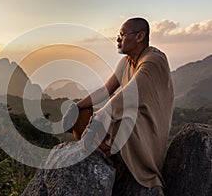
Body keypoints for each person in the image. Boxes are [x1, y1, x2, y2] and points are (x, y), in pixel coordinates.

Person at [63, 17, 174, 195]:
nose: (118, 39)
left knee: (118, 117)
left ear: (139, 36)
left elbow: (129, 95)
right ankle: (114, 159)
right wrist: (76, 106)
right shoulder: (126, 62)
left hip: (146, 129)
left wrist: (99, 119)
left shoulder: (153, 60)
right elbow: (106, 90)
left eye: (122, 34)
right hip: (125, 123)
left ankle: (149, 183)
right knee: (84, 112)